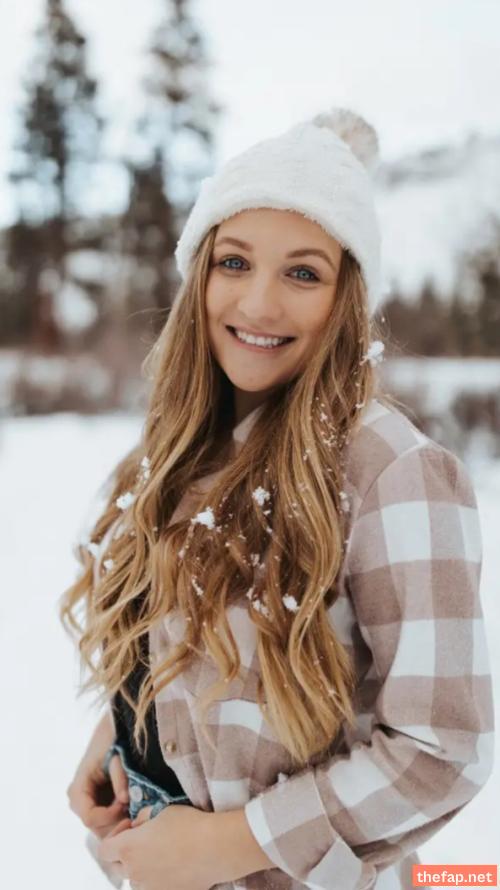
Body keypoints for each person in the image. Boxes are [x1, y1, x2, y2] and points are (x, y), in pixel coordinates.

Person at [59, 107, 495, 890]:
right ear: (199, 275)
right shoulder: (190, 443)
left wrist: (230, 844)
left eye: (303, 273)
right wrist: (125, 729)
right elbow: (206, 652)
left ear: (347, 298)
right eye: (234, 262)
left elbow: (441, 751)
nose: (258, 304)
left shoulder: (390, 469)